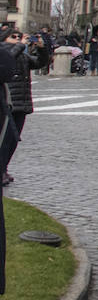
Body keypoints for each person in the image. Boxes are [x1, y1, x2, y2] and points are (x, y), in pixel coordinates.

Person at [1, 28, 43, 186]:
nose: (18, 39)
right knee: (4, 141)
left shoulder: (23, 55)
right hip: (8, 103)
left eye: (20, 37)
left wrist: (41, 48)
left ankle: (4, 168)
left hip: (22, 103)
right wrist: (20, 45)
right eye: (14, 37)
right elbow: (8, 57)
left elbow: (40, 62)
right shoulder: (4, 51)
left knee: (13, 141)